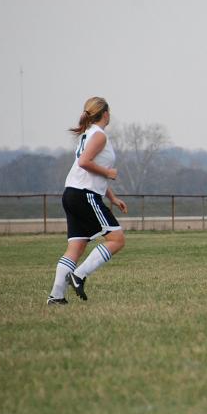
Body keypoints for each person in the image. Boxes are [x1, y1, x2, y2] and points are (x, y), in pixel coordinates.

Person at [47, 97, 127, 305]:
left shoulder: (88, 134)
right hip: (84, 195)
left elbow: (89, 171)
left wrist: (112, 197)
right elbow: (84, 163)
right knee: (117, 240)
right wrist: (109, 172)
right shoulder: (99, 136)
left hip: (72, 193)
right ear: (106, 114)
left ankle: (56, 297)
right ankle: (79, 275)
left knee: (76, 246)